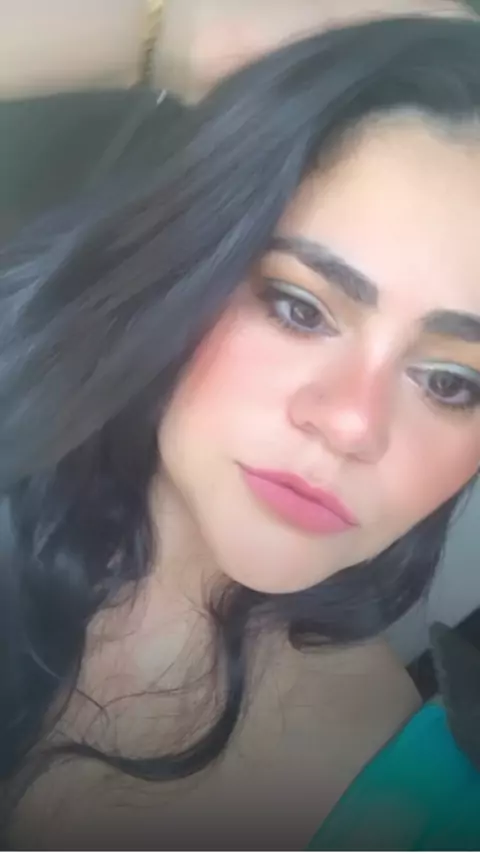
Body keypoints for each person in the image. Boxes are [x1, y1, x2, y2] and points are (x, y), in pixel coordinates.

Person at [2, 9, 480, 854]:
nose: (350, 424)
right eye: (299, 308)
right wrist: (165, 33)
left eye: (449, 382)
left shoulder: (420, 807)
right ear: (188, 265)